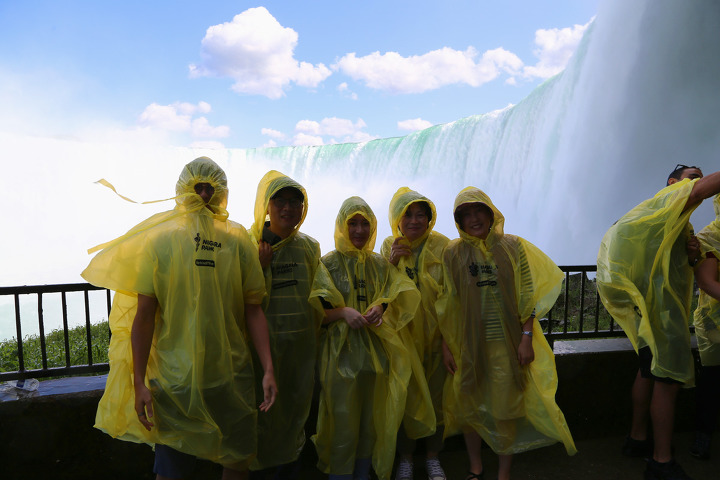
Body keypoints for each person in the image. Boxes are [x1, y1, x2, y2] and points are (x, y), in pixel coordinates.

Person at [82, 157, 277, 480]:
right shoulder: (161, 241)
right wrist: (139, 381)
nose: (203, 196)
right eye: (197, 188)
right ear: (183, 191)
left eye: (210, 189)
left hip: (228, 375)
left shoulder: (238, 240)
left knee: (237, 462)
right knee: (174, 469)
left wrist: (268, 368)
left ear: (221, 193)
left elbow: (252, 308)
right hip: (175, 382)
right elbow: (144, 317)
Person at [437, 187, 576, 480]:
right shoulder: (453, 252)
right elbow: (447, 302)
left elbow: (528, 296)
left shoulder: (512, 247)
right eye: (466, 214)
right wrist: (446, 345)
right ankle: (475, 466)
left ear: (491, 214)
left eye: (479, 211)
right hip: (467, 344)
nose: (474, 219)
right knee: (469, 408)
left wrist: (527, 337)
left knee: (505, 409)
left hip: (506, 343)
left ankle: (504, 473)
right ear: (459, 220)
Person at [597, 164, 720, 480]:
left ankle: (637, 439)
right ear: (673, 182)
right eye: (692, 176)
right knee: (668, 380)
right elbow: (700, 190)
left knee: (648, 372)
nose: (697, 181)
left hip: (651, 311)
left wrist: (692, 255)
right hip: (659, 312)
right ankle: (661, 461)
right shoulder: (669, 199)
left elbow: (682, 267)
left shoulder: (679, 222)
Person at [309, 196, 424, 480]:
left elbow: (394, 296)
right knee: (341, 423)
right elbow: (316, 315)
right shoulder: (328, 264)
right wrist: (343, 312)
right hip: (339, 359)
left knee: (368, 425)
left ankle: (362, 474)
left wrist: (380, 308)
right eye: (353, 224)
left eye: (365, 224)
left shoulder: (379, 264)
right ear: (341, 226)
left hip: (375, 358)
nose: (359, 230)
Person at [247, 171, 322, 479]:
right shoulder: (250, 245)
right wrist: (260, 267)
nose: (288, 208)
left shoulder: (309, 247)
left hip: (301, 354)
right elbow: (241, 299)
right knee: (262, 418)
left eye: (295, 202)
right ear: (267, 205)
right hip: (261, 353)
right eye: (280, 201)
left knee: (294, 418)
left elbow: (321, 295)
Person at [380, 188, 449, 480]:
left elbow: (452, 297)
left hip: (437, 337)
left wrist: (448, 341)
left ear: (430, 219)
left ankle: (433, 458)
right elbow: (379, 293)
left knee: (439, 399)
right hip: (403, 338)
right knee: (404, 398)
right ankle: (406, 459)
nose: (415, 220)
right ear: (397, 218)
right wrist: (392, 262)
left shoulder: (443, 246)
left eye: (422, 214)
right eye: (408, 214)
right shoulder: (388, 245)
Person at [689, 194, 720, 460]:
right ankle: (703, 435)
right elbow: (707, 283)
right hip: (714, 326)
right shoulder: (709, 237)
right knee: (711, 383)